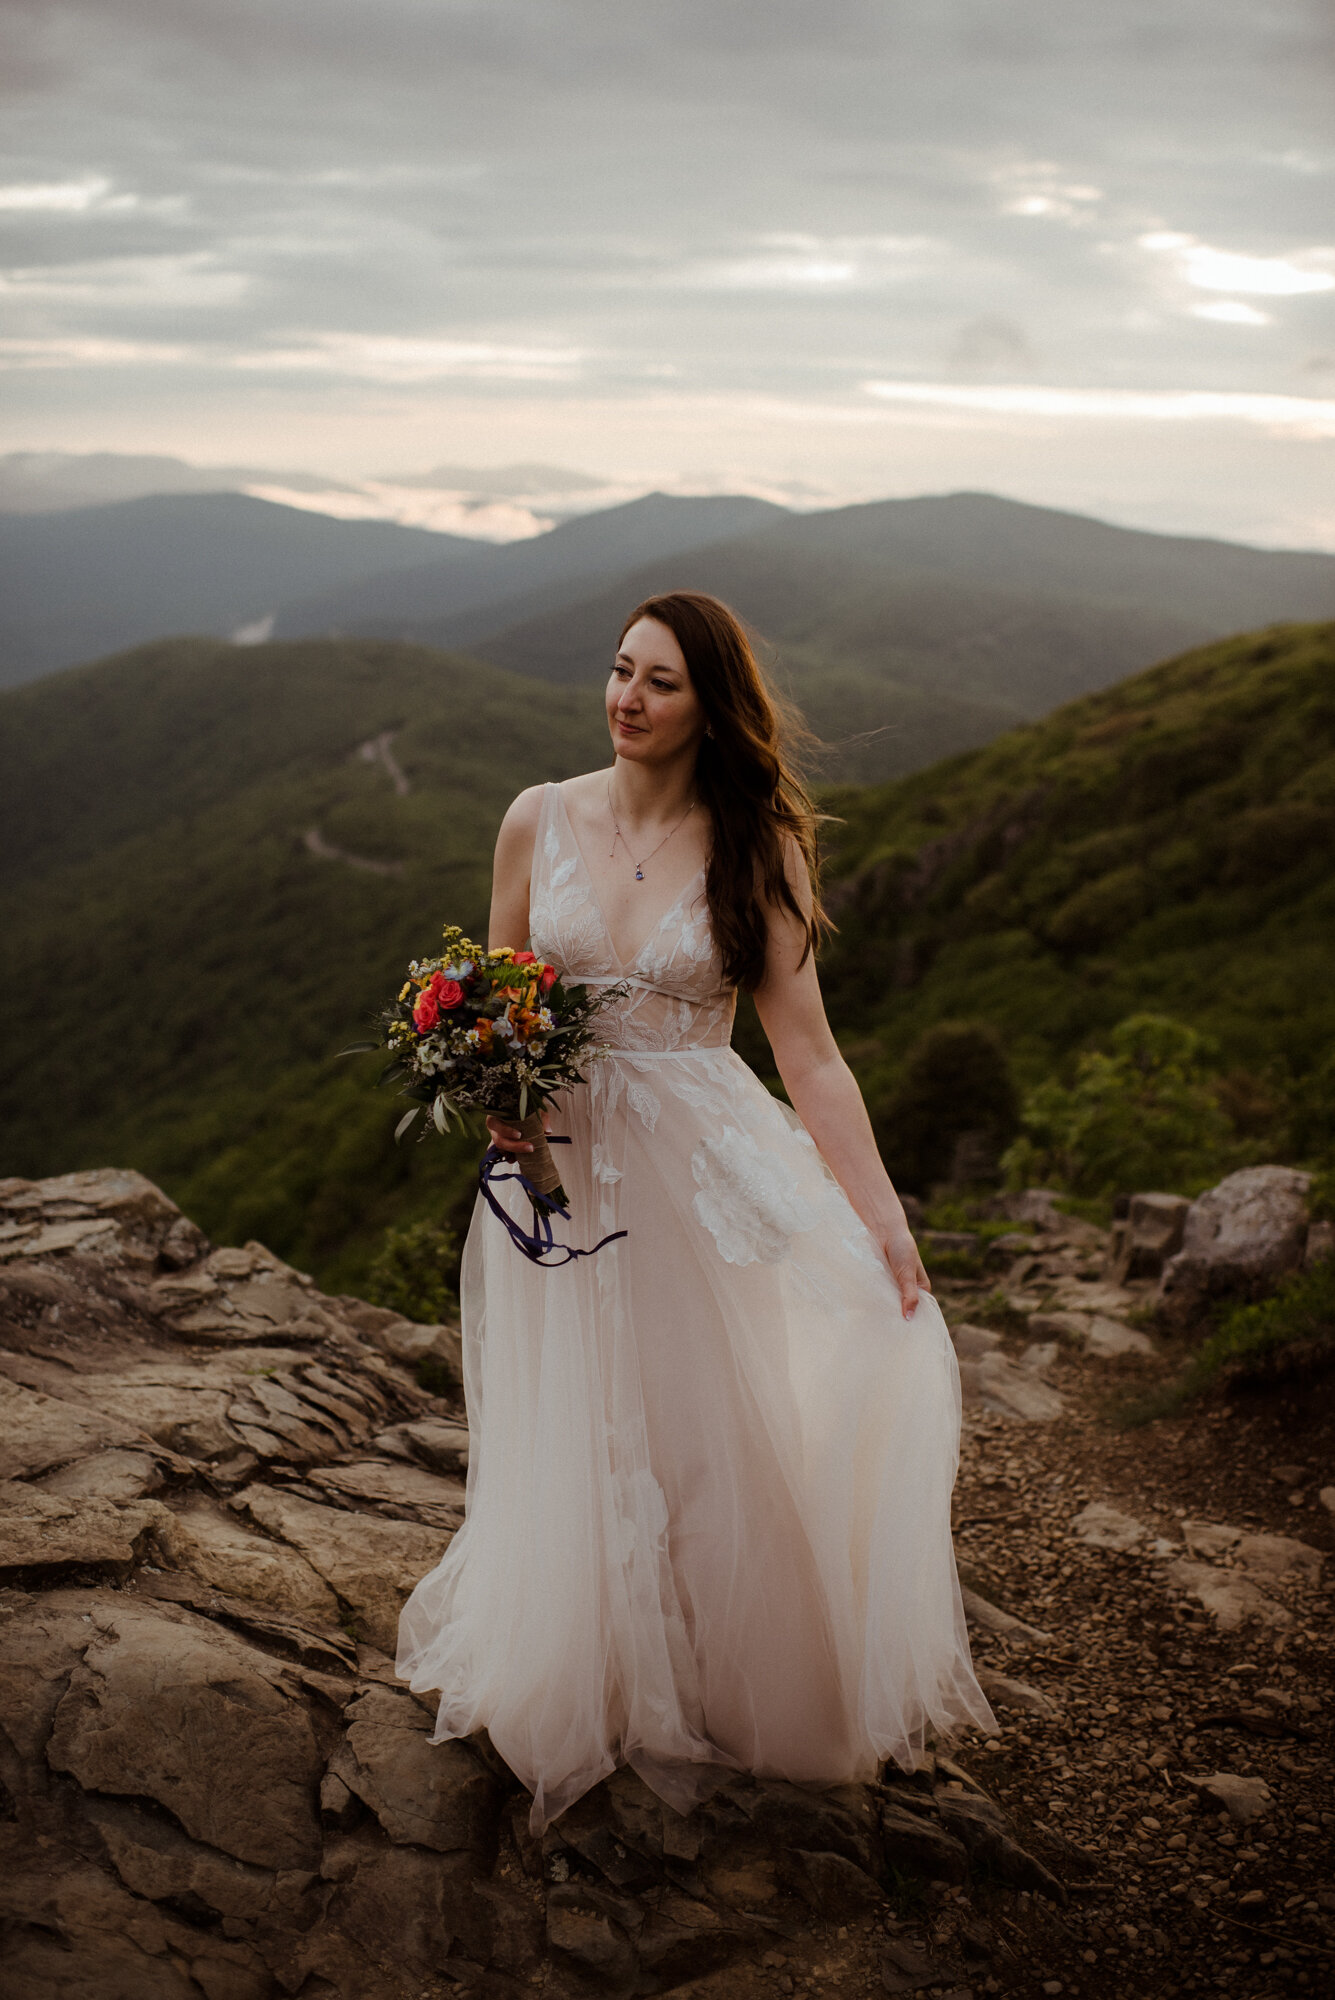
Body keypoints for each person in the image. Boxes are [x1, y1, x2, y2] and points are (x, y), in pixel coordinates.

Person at [396, 591, 994, 1831]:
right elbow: (501, 996)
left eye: (659, 681)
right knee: (577, 1414)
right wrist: (497, 1099)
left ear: (708, 705)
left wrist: (882, 1213)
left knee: (709, 1429)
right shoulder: (534, 817)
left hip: (699, 1173)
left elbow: (810, 1054)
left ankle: (762, 1688)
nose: (625, 696)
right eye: (618, 670)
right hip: (559, 1166)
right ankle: (591, 1670)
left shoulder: (756, 844)